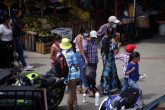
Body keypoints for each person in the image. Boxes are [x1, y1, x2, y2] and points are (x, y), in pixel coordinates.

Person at [59, 38, 80, 110]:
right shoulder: (71, 53)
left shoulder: (60, 53)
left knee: (71, 90)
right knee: (71, 93)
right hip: (72, 75)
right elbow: (76, 65)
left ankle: (74, 106)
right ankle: (69, 107)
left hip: (65, 76)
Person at [100, 27, 121, 95]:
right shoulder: (112, 40)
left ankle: (105, 87)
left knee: (106, 72)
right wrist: (118, 46)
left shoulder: (103, 39)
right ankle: (110, 88)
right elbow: (116, 52)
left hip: (105, 58)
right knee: (112, 73)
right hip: (110, 59)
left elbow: (102, 49)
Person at [73, 25, 93, 96]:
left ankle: (79, 87)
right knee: (83, 72)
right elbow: (81, 49)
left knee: (82, 71)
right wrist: (85, 58)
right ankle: (87, 88)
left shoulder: (84, 37)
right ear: (82, 32)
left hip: (84, 54)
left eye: (87, 32)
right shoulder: (79, 38)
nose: (87, 33)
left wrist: (88, 39)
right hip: (80, 55)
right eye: (86, 32)